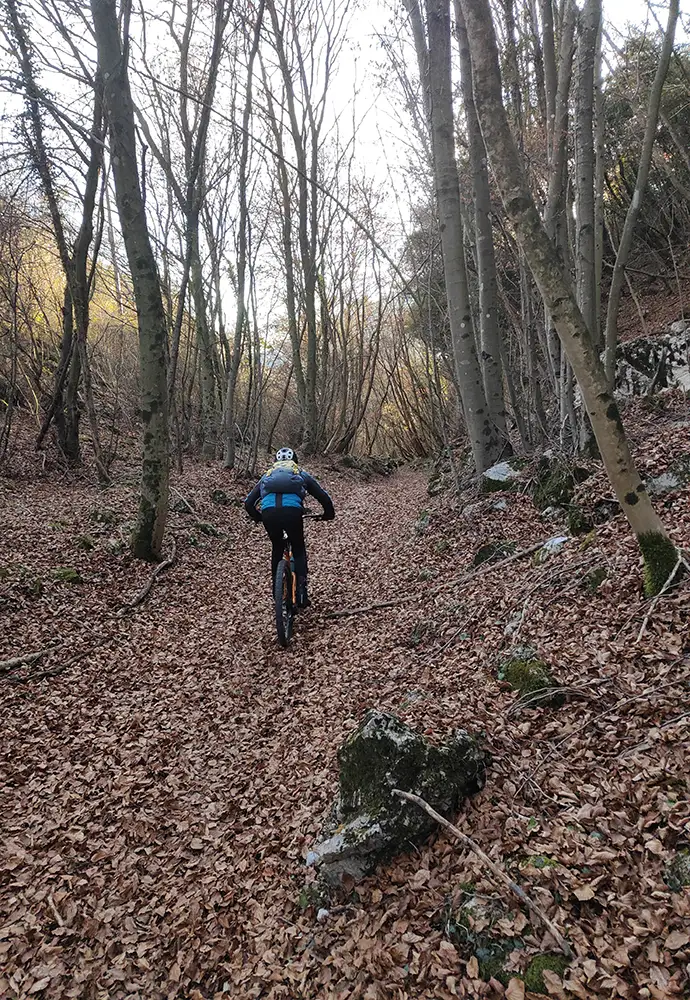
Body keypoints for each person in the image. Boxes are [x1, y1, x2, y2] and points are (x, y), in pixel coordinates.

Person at [244, 447, 335, 607]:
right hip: (293, 513)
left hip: (269, 513)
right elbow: (322, 496)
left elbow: (248, 503)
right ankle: (302, 594)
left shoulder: (268, 475)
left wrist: (259, 517)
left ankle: (276, 593)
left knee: (277, 547)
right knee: (298, 547)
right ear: (294, 461)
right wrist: (328, 513)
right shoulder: (299, 473)